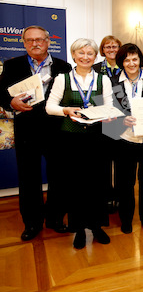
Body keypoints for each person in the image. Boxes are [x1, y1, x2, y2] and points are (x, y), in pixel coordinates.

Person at [0, 25, 71, 241]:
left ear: (48, 41)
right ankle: (32, 223)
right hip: (26, 131)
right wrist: (10, 101)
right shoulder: (13, 65)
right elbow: (0, 93)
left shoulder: (64, 66)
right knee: (28, 178)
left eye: (39, 39)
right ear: (23, 43)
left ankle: (55, 219)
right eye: (30, 40)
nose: (35, 44)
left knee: (59, 177)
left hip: (56, 131)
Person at [46, 38, 113, 249]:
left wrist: (108, 115)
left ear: (96, 57)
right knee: (75, 185)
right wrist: (65, 110)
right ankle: (79, 229)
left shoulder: (103, 80)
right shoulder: (62, 78)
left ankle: (97, 226)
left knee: (98, 183)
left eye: (90, 53)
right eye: (81, 53)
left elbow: (110, 106)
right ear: (73, 55)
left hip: (97, 140)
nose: (85, 57)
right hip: (71, 140)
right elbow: (50, 107)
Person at [111, 44, 143, 234]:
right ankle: (125, 219)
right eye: (127, 60)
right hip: (125, 139)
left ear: (140, 59)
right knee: (125, 183)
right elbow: (109, 109)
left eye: (135, 59)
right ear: (121, 62)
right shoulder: (113, 81)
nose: (131, 63)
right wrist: (120, 119)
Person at [93, 35, 123, 216]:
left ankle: (119, 196)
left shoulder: (127, 67)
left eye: (115, 46)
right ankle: (105, 196)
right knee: (103, 163)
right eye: (108, 47)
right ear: (102, 50)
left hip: (121, 121)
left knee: (120, 162)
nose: (112, 49)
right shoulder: (94, 69)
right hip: (100, 122)